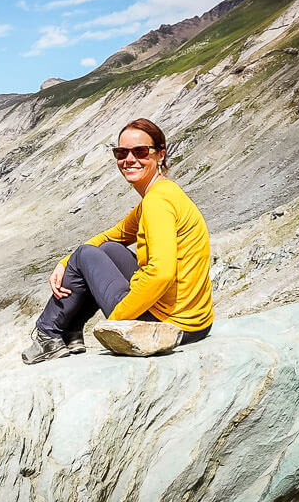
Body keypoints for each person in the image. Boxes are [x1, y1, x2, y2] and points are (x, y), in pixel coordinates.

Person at [22, 118, 213, 364]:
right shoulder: (164, 192)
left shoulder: (156, 203)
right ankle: (71, 334)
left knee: (84, 255)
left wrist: (117, 319)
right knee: (108, 249)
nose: (129, 159)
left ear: (160, 155)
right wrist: (64, 262)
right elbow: (115, 234)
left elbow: (161, 273)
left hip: (167, 327)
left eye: (140, 152)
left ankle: (48, 334)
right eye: (121, 153)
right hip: (196, 325)